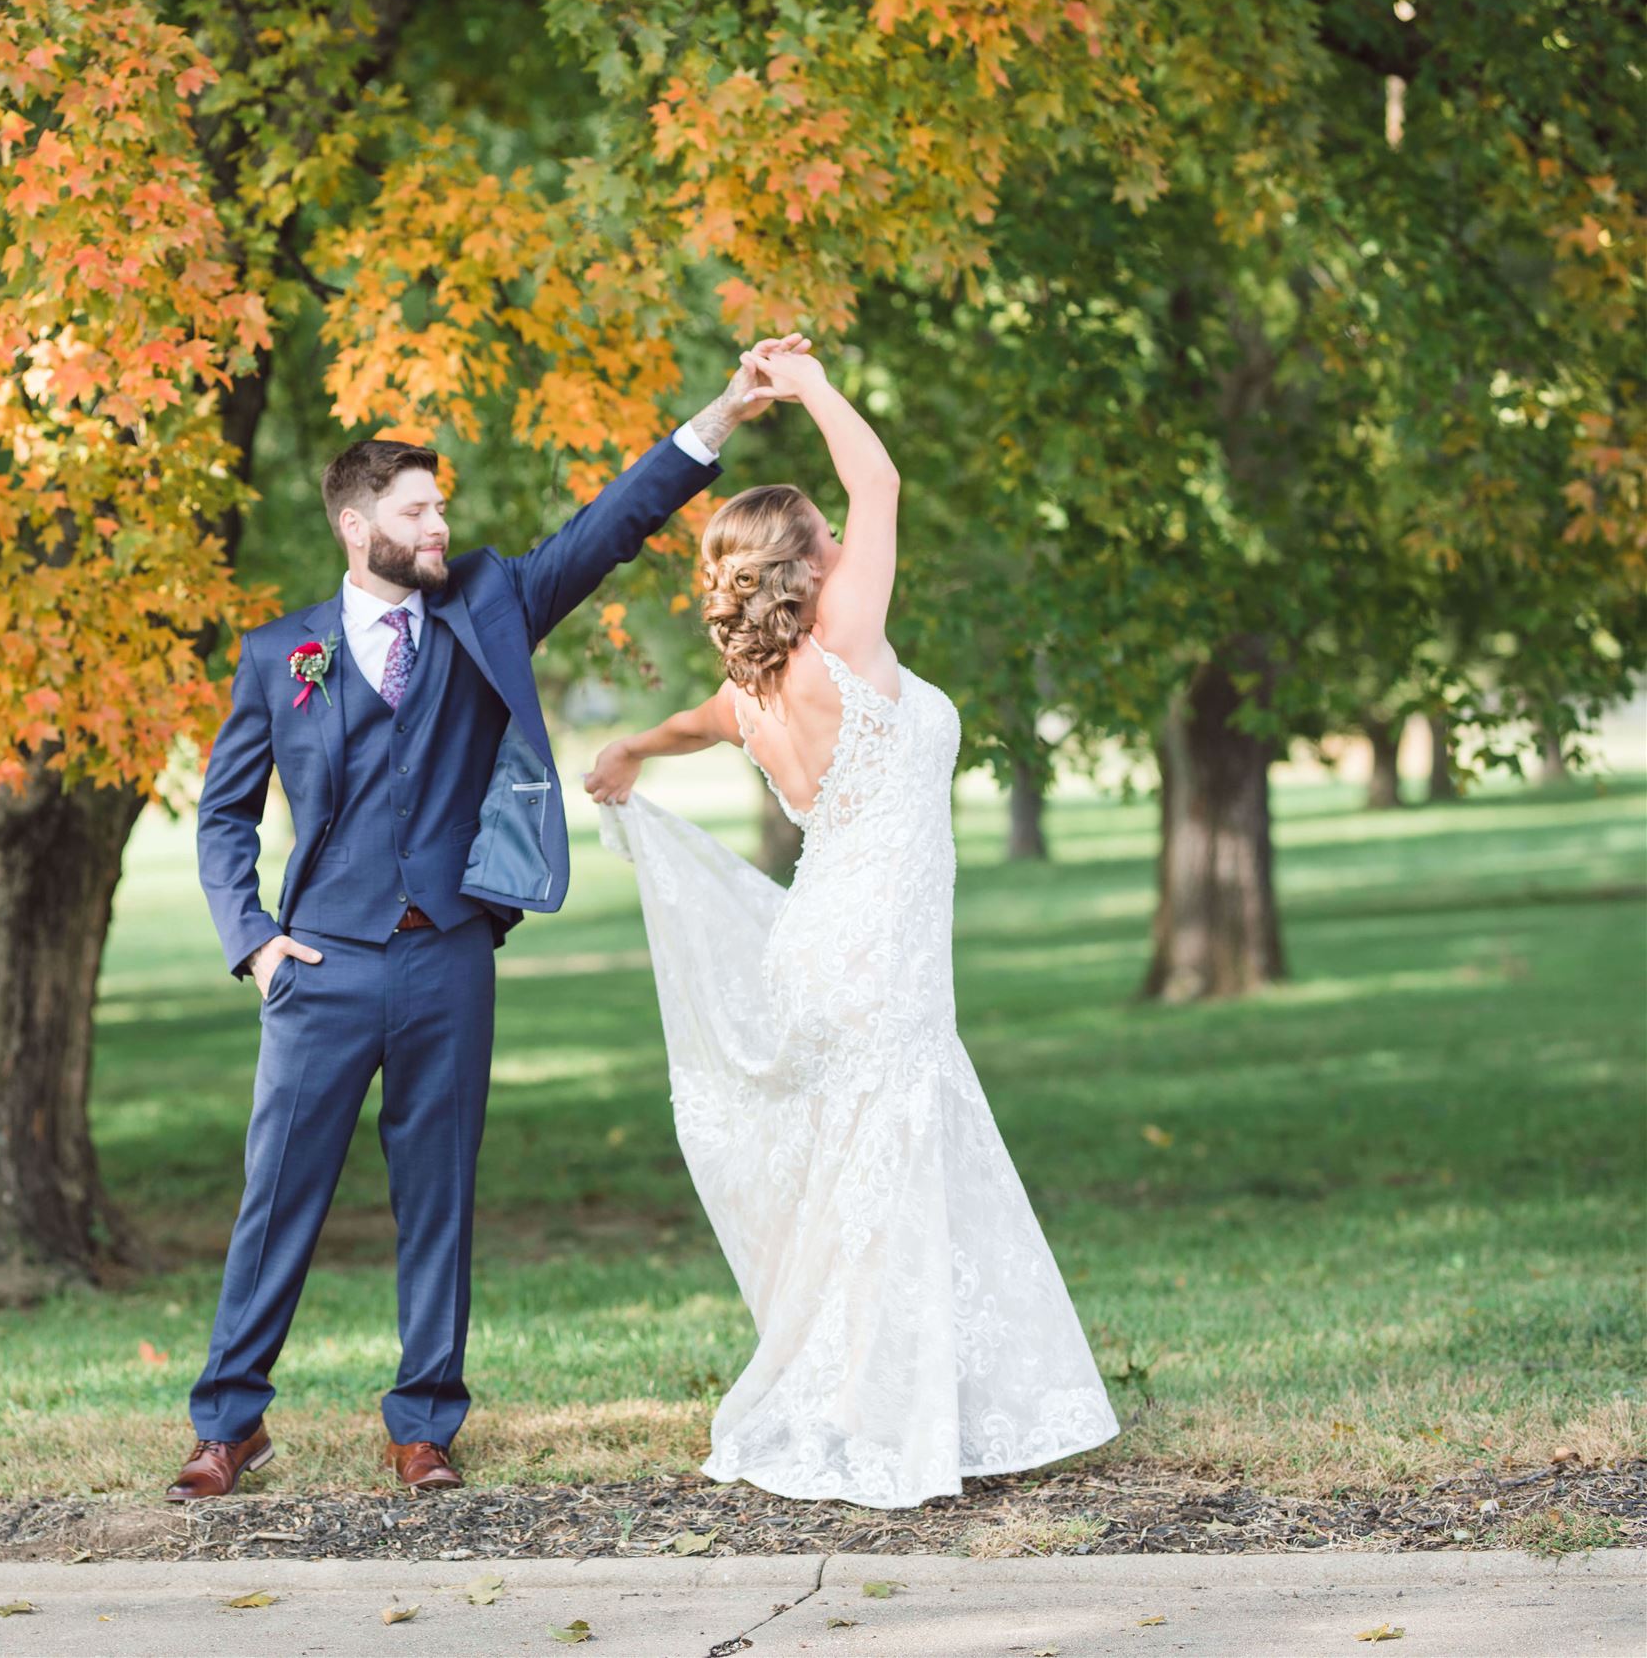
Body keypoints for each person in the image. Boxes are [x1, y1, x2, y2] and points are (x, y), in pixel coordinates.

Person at [171, 339, 810, 1499]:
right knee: (276, 1195)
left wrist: (718, 415)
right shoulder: (281, 655)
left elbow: (607, 525)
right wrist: (255, 940)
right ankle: (228, 1421)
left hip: (447, 957)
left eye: (438, 508)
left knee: (439, 1193)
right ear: (354, 523)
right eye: (414, 510)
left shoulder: (486, 604)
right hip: (316, 965)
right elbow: (221, 817)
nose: (434, 526)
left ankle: (423, 1423)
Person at [584, 339, 1121, 1509]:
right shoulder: (842, 643)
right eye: (823, 528)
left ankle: (898, 1398)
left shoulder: (758, 686)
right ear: (807, 561)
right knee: (882, 1178)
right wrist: (815, 383)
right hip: (869, 954)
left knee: (863, 1181)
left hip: (819, 947)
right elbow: (879, 484)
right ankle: (882, 1419)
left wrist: (631, 745)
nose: (844, 530)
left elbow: (690, 720)